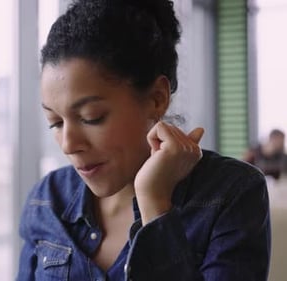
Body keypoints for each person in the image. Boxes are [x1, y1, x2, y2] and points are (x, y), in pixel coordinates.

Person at [16, 0, 271, 280]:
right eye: (56, 122)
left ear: (156, 99)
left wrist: (155, 206)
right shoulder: (47, 200)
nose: (68, 144)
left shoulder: (230, 195)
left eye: (91, 117)